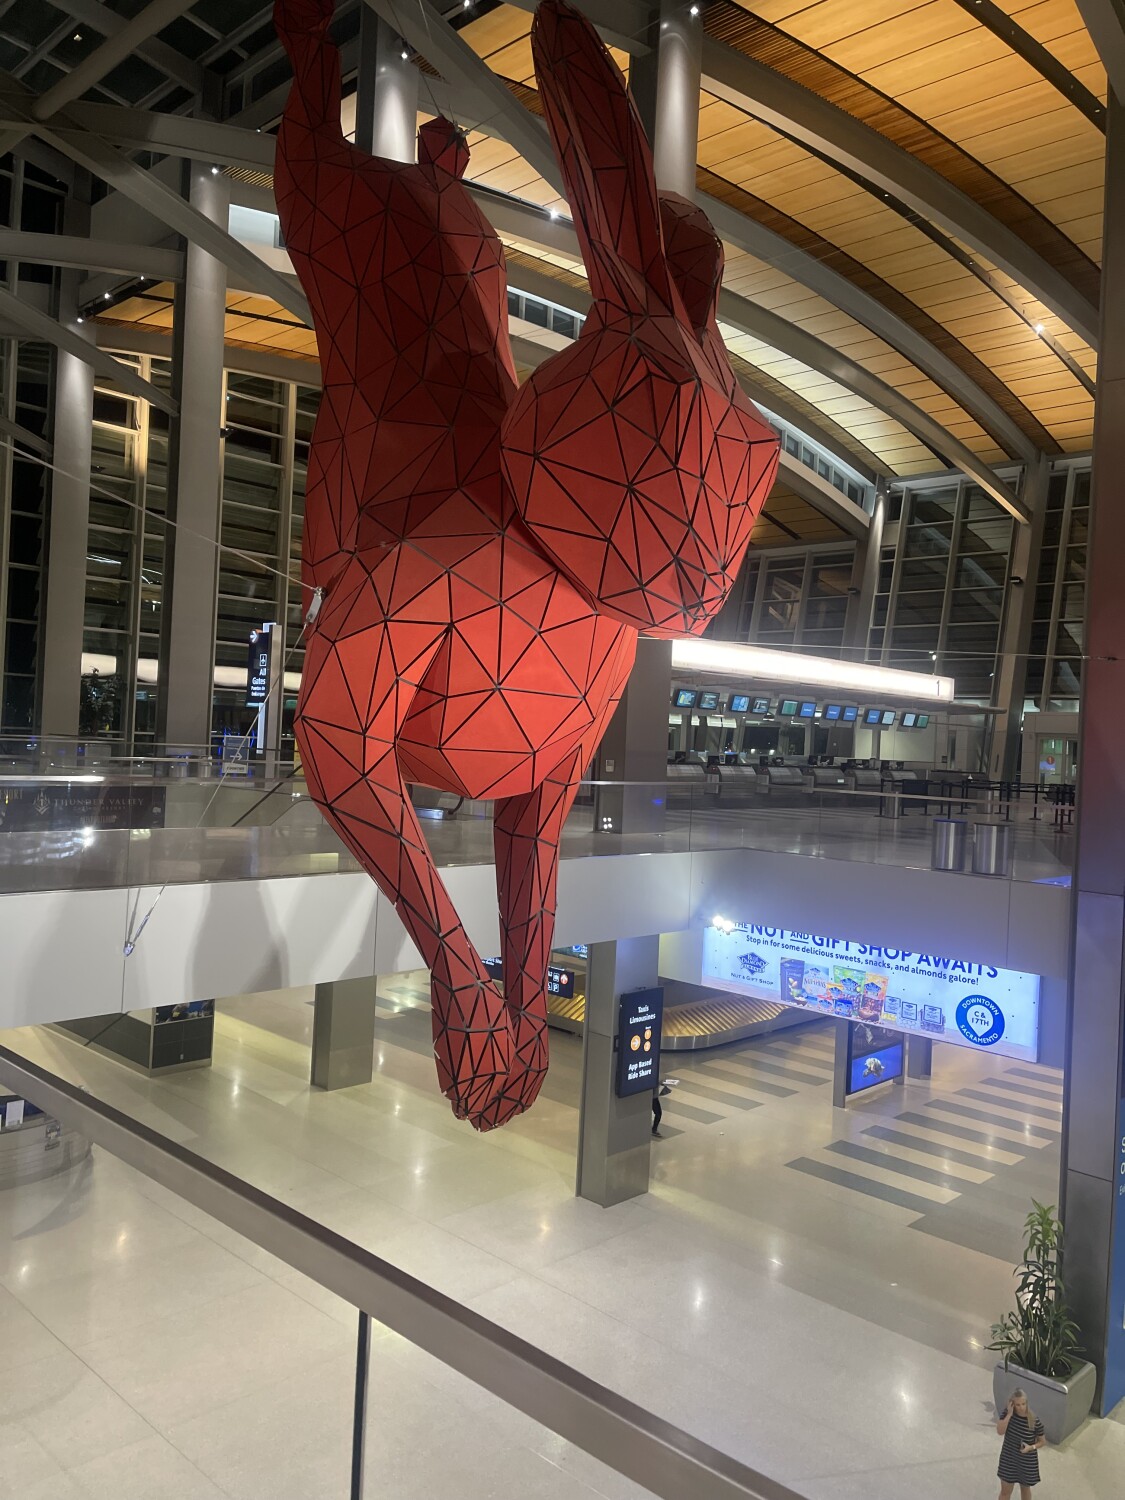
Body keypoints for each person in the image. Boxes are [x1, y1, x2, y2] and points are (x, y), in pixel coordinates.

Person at [996, 1388, 1046, 1498]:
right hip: (1008, 1458)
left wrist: (1031, 1447)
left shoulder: (1033, 1420)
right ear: (1012, 1404)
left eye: (1023, 1404)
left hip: (1026, 1461)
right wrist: (1009, 1414)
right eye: (1018, 1405)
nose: (1021, 1407)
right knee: (1005, 1491)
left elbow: (1042, 1441)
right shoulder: (1007, 1414)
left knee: (1025, 1489)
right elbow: (1000, 1431)